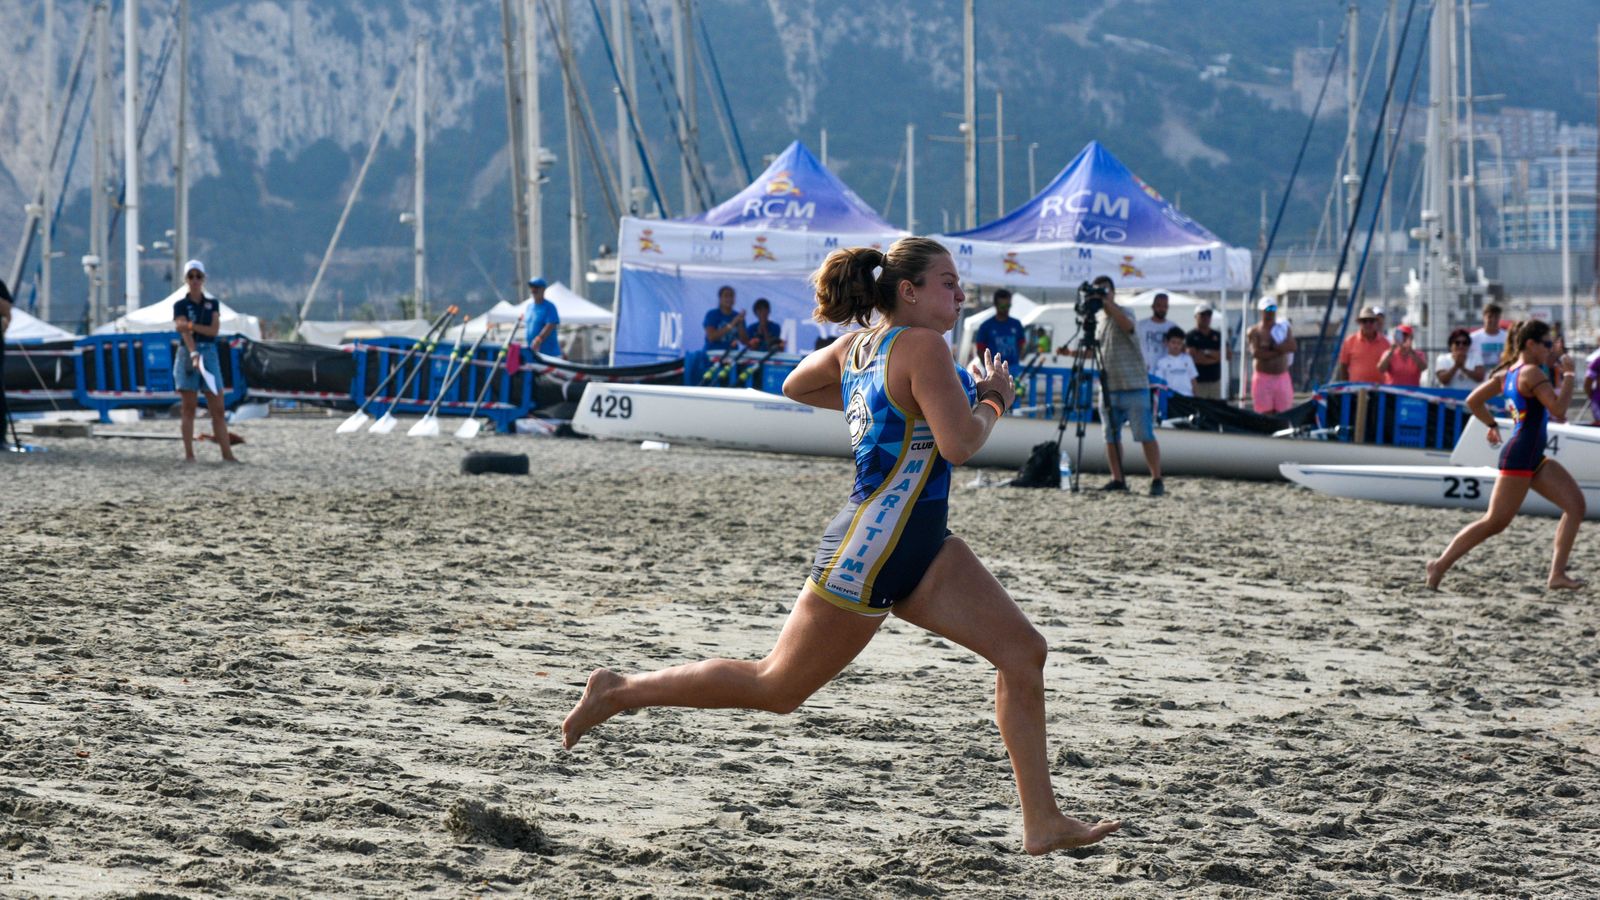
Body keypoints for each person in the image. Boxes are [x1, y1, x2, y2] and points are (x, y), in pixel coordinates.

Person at [561, 237, 1121, 856]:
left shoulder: (860, 347)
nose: (960, 294)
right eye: (947, 282)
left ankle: (1042, 822)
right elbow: (961, 443)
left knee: (1023, 652)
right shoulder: (923, 345)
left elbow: (798, 384)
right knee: (775, 687)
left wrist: (872, 400)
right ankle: (618, 690)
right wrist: (992, 400)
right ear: (908, 291)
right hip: (872, 549)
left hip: (923, 545)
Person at [1426, 320, 1585, 591]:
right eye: (1546, 344)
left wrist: (1491, 424)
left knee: (1575, 506)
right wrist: (1569, 375)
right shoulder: (1532, 373)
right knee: (1495, 522)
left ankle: (1557, 575)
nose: (1549, 349)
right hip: (1521, 455)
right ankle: (1439, 564)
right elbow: (1558, 408)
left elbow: (1473, 401)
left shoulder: (1508, 373)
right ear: (1531, 345)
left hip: (1531, 455)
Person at [1093, 276, 1164, 495]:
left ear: (1113, 292)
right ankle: (1118, 478)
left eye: (1105, 291)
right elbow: (1099, 349)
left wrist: (1108, 303)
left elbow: (1128, 326)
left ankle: (1156, 478)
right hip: (1109, 386)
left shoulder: (1125, 311)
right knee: (1110, 437)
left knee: (1144, 434)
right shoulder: (1098, 319)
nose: (1102, 295)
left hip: (1134, 384)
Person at [172, 260, 237, 463]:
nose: (194, 280)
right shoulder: (180, 304)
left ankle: (227, 454)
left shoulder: (212, 304)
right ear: (185, 279)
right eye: (191, 276)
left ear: (204, 278)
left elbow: (213, 331)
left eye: (198, 276)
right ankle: (189, 454)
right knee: (189, 407)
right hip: (187, 352)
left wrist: (190, 325)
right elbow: (184, 333)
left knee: (217, 407)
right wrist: (193, 352)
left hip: (209, 352)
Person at [1248, 298, 1297, 415]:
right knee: (1265, 414)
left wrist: (1272, 349)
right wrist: (1279, 350)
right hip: (1263, 378)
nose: (1270, 312)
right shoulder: (1255, 331)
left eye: (1272, 308)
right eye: (1267, 309)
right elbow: (1257, 353)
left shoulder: (1284, 328)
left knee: (1284, 413)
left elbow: (1293, 346)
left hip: (1282, 377)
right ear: (1261, 311)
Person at [974, 288, 1026, 371]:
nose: (1005, 309)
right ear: (995, 305)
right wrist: (989, 369)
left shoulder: (1016, 324)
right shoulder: (986, 326)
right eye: (1002, 306)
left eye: (1008, 306)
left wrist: (1017, 360)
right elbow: (980, 350)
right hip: (994, 371)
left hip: (1013, 370)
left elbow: (1022, 345)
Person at [1335, 306, 1390, 383]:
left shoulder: (1385, 343)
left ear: (1375, 322)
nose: (1368, 324)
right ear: (1359, 323)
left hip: (1378, 390)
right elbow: (1343, 365)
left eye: (1371, 321)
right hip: (1355, 390)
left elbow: (1390, 368)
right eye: (1364, 321)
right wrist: (1347, 386)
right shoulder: (1349, 341)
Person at [1184, 304, 1224, 399]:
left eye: (1208, 315)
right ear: (1195, 317)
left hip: (1215, 381)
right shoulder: (1190, 336)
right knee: (1200, 410)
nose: (1206, 318)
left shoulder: (1217, 335)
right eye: (1202, 315)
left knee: (1215, 410)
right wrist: (1214, 356)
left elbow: (1225, 355)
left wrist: (1205, 352)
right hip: (1198, 382)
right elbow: (1194, 358)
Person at [1152, 325, 1198, 397]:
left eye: (1179, 343)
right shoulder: (1161, 362)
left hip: (1187, 396)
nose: (1176, 346)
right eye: (1173, 342)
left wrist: (1196, 396)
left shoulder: (1188, 359)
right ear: (1166, 343)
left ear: (1182, 344)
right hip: (1171, 398)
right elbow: (1159, 384)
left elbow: (1193, 380)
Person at [523, 278, 562, 358]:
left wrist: (538, 339)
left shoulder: (549, 307)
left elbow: (551, 325)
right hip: (534, 353)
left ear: (543, 289)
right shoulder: (529, 307)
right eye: (531, 287)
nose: (533, 290)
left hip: (549, 355)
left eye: (536, 287)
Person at [1135, 291, 1172, 373]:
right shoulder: (1140, 325)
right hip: (1145, 372)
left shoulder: (1172, 327)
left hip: (1165, 372)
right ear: (1152, 306)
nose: (1162, 309)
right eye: (1159, 305)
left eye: (1165, 306)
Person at [704, 285, 746, 352]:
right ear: (720, 299)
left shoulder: (737, 315)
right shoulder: (712, 314)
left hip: (732, 355)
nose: (729, 299)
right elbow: (711, 337)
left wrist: (740, 323)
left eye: (731, 296)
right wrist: (732, 324)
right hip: (713, 354)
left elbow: (744, 341)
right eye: (726, 296)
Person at [1469, 303, 1507, 374]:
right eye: (1490, 317)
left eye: (1496, 317)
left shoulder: (1507, 337)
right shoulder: (1473, 338)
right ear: (1484, 317)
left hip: (1501, 377)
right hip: (1481, 379)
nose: (1493, 320)